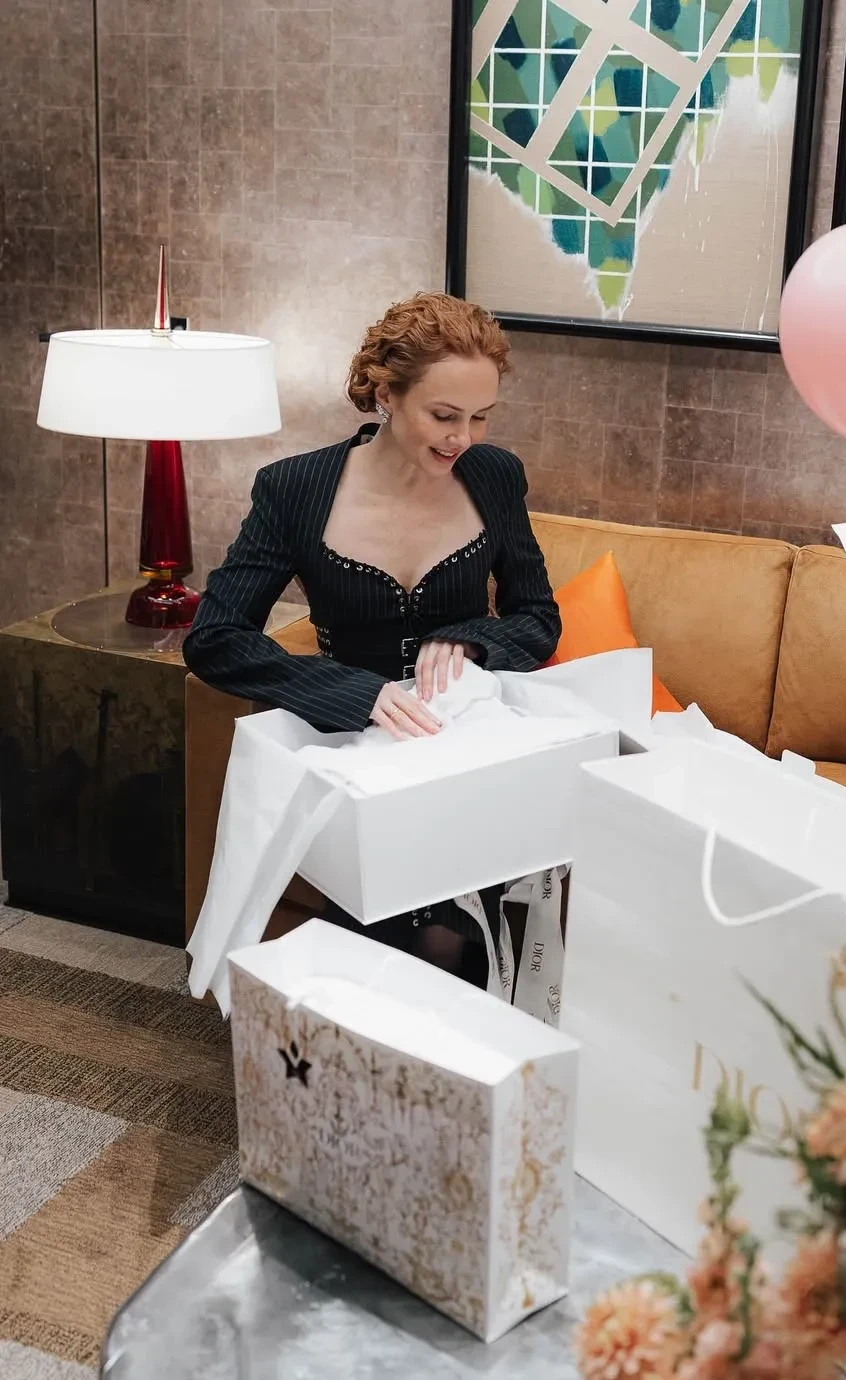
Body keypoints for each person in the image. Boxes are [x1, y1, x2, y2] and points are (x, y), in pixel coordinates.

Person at [183, 292, 562, 980]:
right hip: (350, 744)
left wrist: (472, 640)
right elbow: (215, 638)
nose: (463, 438)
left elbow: (537, 619)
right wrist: (356, 694)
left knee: (444, 927)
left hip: (466, 736)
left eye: (481, 416)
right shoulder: (295, 490)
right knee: (412, 912)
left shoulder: (494, 477)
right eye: (444, 415)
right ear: (386, 393)